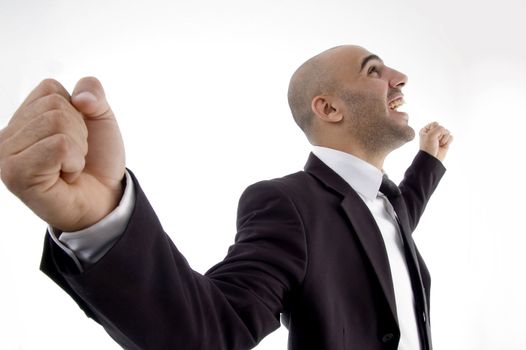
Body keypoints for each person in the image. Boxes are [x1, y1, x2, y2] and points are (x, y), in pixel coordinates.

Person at [0, 45, 452, 350]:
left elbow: (402, 216)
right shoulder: (290, 204)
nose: (400, 78)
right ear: (329, 108)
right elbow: (215, 331)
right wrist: (100, 218)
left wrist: (430, 161)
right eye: (374, 70)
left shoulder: (388, 206)